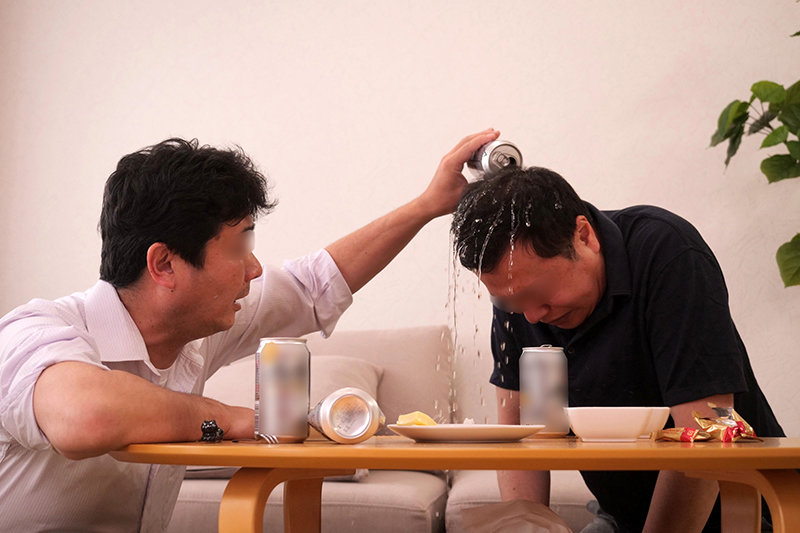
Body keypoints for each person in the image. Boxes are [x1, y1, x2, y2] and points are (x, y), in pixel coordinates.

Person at [0, 128, 500, 532]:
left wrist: (427, 205)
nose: (255, 269)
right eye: (239, 249)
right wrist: (232, 419)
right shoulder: (32, 333)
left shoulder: (200, 328)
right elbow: (85, 415)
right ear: (164, 265)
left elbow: (313, 285)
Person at [451, 165, 784, 533]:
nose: (531, 315)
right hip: (623, 518)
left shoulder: (667, 253)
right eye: (509, 302)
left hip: (748, 512)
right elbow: (520, 436)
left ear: (584, 236)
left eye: (539, 293)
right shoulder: (518, 296)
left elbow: (708, 430)